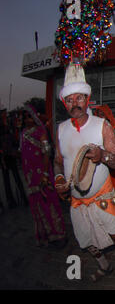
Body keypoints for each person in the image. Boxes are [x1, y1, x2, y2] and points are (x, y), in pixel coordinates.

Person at [54, 63, 115, 288]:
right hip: (77, 200)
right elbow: (57, 162)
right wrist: (59, 179)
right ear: (64, 102)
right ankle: (104, 266)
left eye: (79, 98)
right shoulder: (61, 129)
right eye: (70, 100)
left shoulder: (101, 125)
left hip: (103, 197)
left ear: (87, 98)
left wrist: (103, 155)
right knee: (86, 242)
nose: (75, 104)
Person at [19, 104, 67, 248]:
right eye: (24, 117)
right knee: (37, 206)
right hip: (30, 176)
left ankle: (59, 235)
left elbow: (47, 153)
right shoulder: (22, 133)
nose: (27, 120)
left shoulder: (41, 131)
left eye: (29, 116)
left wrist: (45, 173)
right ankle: (44, 235)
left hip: (42, 174)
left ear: (34, 117)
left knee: (49, 204)